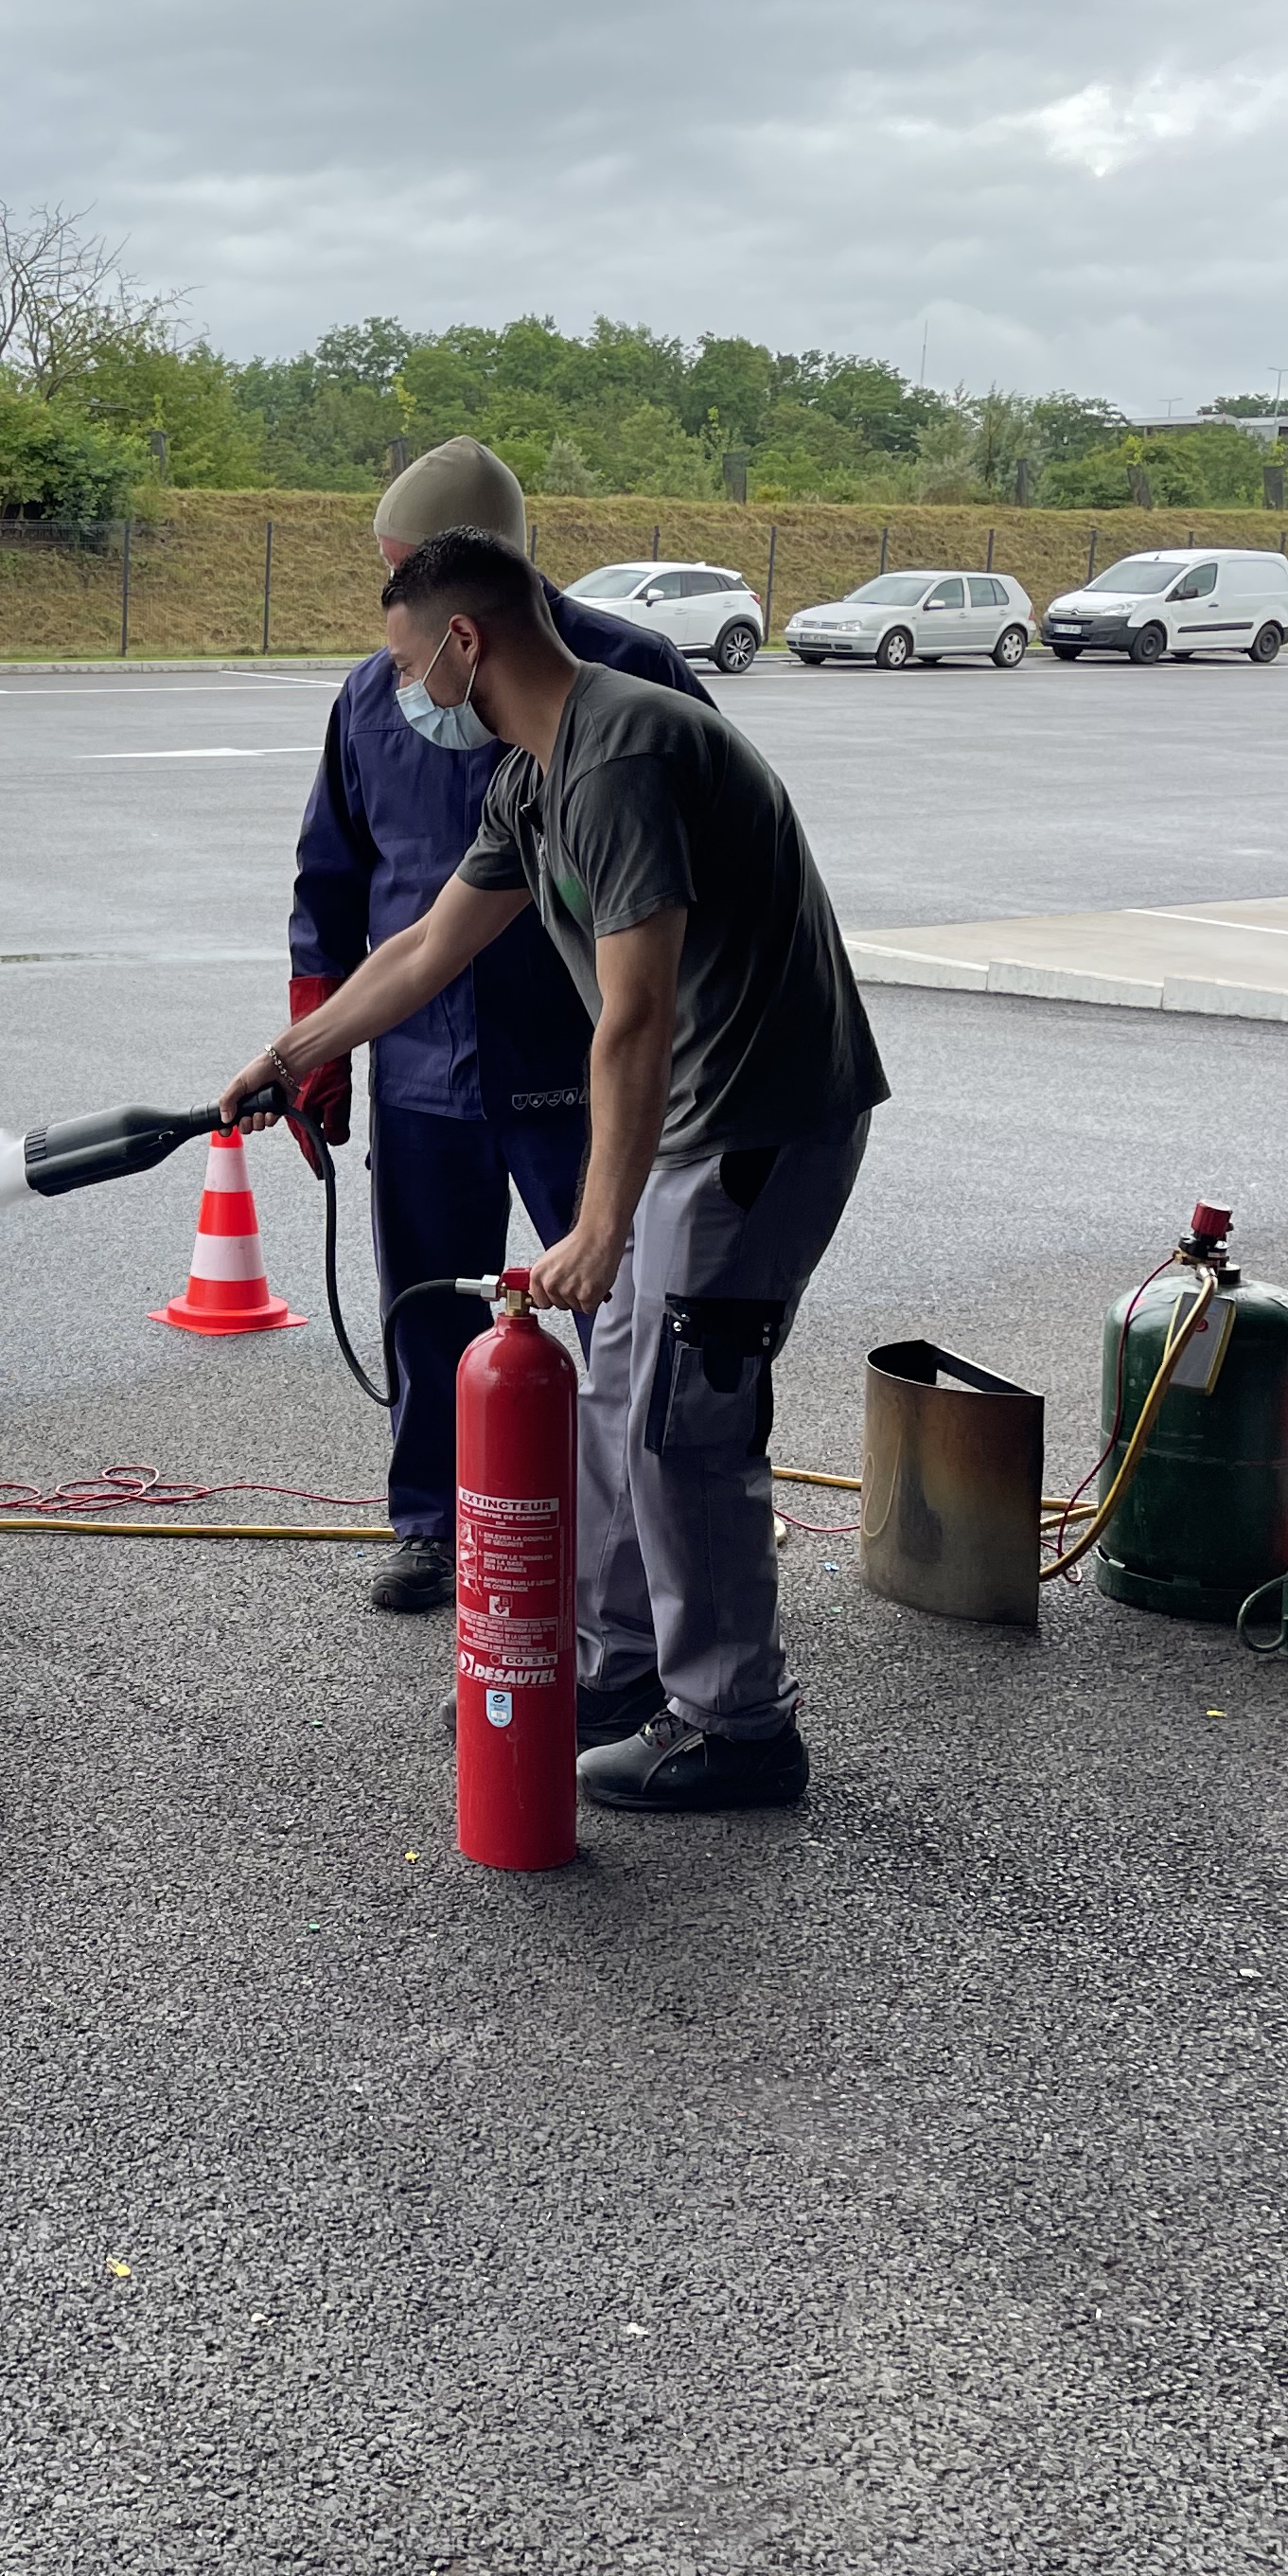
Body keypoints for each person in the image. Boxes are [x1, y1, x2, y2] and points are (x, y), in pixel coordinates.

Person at [230, 523, 888, 1814]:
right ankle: (618, 1668)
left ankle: (737, 1724)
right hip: (692, 1119)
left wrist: (594, 1226)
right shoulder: (534, 778)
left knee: (680, 1422)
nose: (405, 693)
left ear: (466, 643)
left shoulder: (622, 758)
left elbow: (632, 1016)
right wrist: (289, 1054)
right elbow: (427, 950)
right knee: (617, 1405)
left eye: (411, 663)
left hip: (759, 1119)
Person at [289, 440, 699, 1618]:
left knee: (624, 1308)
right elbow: (338, 879)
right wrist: (309, 1037)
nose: (398, 621)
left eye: (410, 578)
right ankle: (437, 1518)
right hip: (423, 1060)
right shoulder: (375, 692)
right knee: (426, 1295)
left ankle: (637, 1533)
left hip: (578, 1058)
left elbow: (695, 874)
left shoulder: (630, 676)